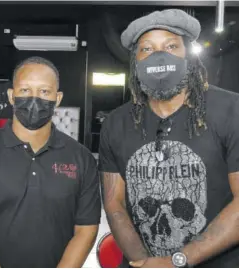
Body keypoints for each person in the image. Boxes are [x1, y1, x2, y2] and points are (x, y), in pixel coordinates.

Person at [99, 9, 239, 268]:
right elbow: (114, 203)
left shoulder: (231, 111)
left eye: (171, 46)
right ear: (136, 62)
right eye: (147, 49)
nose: (159, 56)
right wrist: (143, 262)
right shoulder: (116, 123)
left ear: (190, 56)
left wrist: (177, 261)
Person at [0, 56, 101, 268]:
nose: (34, 98)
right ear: (12, 96)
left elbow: (86, 229)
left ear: (57, 99)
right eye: (25, 90)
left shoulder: (82, 158)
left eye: (44, 92)